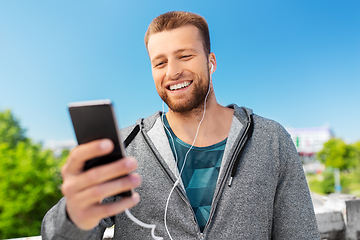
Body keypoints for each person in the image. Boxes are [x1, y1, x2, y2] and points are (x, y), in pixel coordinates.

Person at [41, 11, 320, 239]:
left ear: (210, 62)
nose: (172, 72)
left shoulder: (271, 140)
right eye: (159, 63)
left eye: (185, 56)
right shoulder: (123, 147)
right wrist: (72, 215)